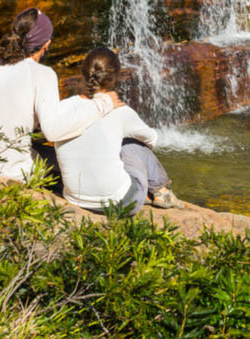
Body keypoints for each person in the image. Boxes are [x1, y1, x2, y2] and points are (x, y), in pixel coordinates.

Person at [0, 8, 120, 181]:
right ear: (46, 44)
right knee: (74, 162)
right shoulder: (43, 73)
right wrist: (103, 104)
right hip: (11, 172)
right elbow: (53, 131)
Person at [55, 47, 179, 214]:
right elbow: (152, 139)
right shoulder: (120, 111)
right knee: (132, 142)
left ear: (84, 73)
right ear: (115, 78)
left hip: (75, 198)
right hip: (120, 203)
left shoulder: (64, 107)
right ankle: (160, 191)